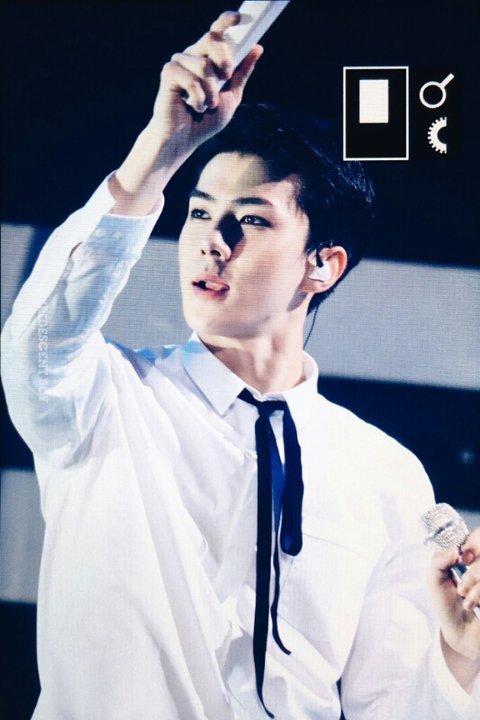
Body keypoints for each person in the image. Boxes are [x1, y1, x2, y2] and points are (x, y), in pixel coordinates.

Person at [2, 10, 479, 720]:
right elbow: (40, 335)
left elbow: (392, 707)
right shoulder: (101, 396)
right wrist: (160, 150)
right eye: (199, 213)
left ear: (323, 265)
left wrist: (461, 654)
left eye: (252, 219)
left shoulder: (384, 472)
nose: (212, 241)